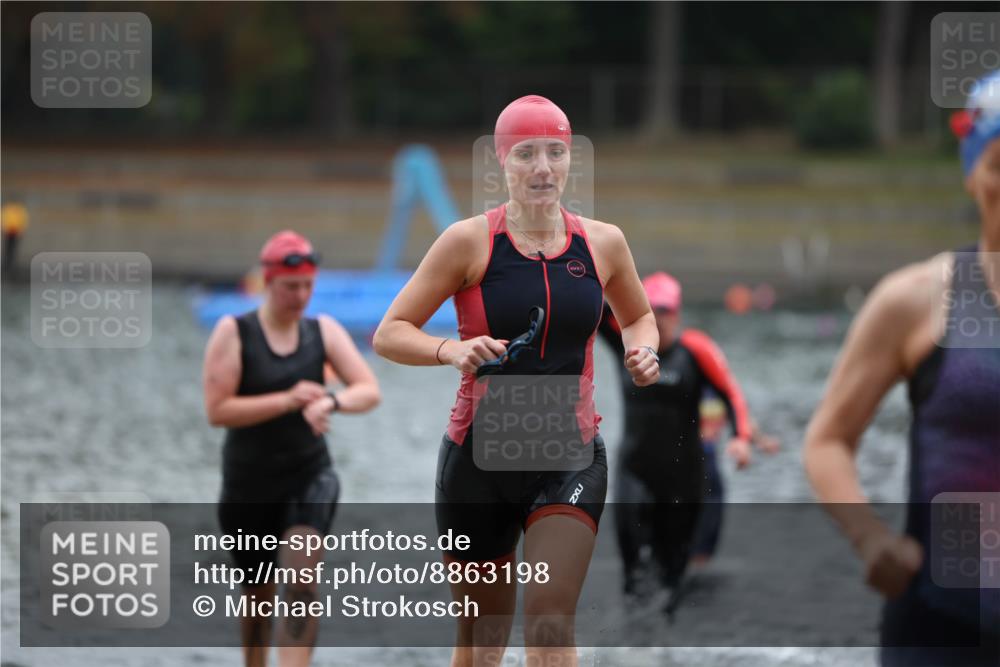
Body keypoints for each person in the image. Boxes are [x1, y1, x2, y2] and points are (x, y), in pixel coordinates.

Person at [373, 95, 659, 667]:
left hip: (569, 454)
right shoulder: (468, 242)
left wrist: (642, 349)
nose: (543, 168)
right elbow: (390, 332)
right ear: (502, 163)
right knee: (483, 645)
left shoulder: (603, 243)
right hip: (479, 459)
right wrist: (449, 350)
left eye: (555, 152)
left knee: (551, 624)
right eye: (526, 154)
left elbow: (638, 317)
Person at [804, 71, 1000, 667]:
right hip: (940, 629)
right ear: (972, 173)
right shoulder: (917, 300)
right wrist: (870, 539)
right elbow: (828, 439)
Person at [203, 230, 381, 667]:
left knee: (302, 579)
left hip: (309, 473)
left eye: (307, 286)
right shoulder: (235, 332)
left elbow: (368, 389)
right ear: (269, 282)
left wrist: (330, 401)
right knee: (257, 595)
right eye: (290, 287)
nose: (300, 295)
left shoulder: (323, 331)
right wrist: (286, 399)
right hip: (250, 482)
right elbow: (217, 409)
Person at [598, 271, 776, 610]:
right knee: (632, 573)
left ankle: (668, 641)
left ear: (677, 314)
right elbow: (592, 306)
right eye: (652, 311)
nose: (660, 320)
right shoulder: (626, 344)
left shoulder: (695, 350)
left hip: (682, 480)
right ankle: (630, 644)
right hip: (633, 471)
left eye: (666, 312)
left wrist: (741, 437)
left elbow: (731, 393)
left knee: (671, 577)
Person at [690, 392, 779, 566]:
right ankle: (693, 556)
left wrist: (760, 440)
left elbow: (739, 414)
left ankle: (699, 557)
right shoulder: (693, 382)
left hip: (707, 456)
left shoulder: (717, 387)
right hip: (686, 456)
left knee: (711, 502)